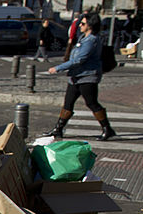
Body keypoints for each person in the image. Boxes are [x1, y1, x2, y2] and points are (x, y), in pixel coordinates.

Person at [45, 12, 116, 141]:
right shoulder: (83, 38)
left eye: (83, 24)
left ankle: (107, 129)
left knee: (91, 103)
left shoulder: (91, 40)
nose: (80, 26)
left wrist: (58, 67)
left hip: (87, 77)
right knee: (68, 103)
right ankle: (58, 129)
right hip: (75, 76)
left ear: (90, 25)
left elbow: (79, 59)